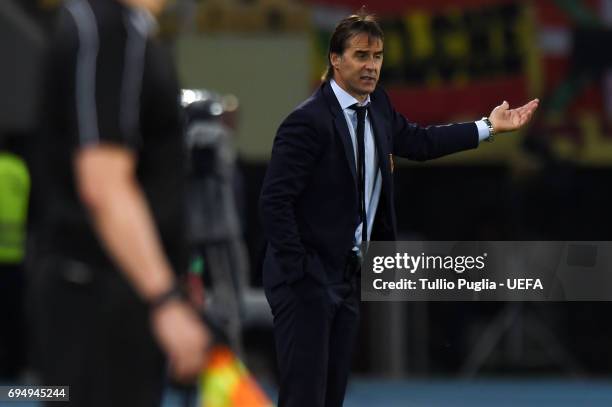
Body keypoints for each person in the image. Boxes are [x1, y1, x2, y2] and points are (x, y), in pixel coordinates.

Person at [259, 11, 539, 407]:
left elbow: (421, 143)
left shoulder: (379, 107)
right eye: (361, 56)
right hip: (308, 279)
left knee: (331, 394)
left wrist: (488, 127)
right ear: (335, 60)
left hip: (349, 275)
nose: (371, 66)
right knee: (304, 396)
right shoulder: (307, 122)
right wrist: (300, 271)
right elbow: (274, 202)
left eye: (377, 56)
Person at [29, 0, 209, 405]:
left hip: (111, 296)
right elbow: (104, 184)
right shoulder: (106, 31)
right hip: (97, 300)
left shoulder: (125, 31)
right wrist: (164, 299)